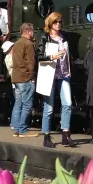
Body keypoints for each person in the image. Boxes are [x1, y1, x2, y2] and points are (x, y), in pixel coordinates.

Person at [37, 11, 75, 148]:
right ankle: (46, 137)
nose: (58, 24)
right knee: (49, 108)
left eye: (60, 22)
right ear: (50, 23)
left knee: (68, 104)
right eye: (56, 22)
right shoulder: (44, 37)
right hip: (50, 76)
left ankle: (65, 134)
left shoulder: (65, 37)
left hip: (64, 75)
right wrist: (52, 57)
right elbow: (39, 56)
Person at [11, 23, 38, 138]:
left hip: (16, 77)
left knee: (18, 104)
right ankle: (22, 130)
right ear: (28, 31)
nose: (33, 33)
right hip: (25, 77)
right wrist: (32, 77)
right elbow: (31, 62)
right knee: (27, 105)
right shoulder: (29, 44)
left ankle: (16, 130)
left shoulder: (16, 44)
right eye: (32, 31)